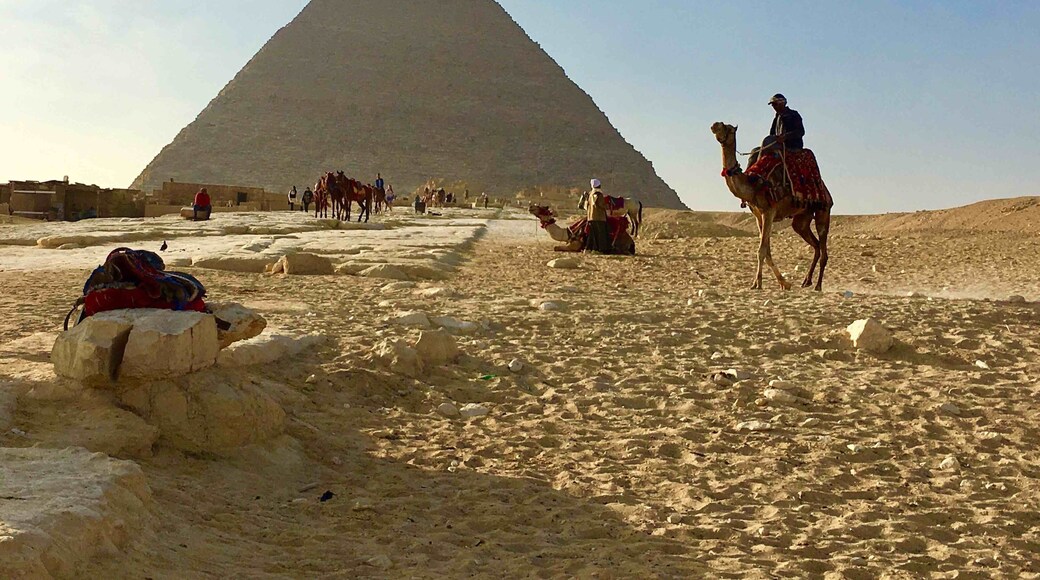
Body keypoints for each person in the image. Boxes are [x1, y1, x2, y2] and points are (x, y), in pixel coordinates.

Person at [748, 93, 806, 168]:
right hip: (778, 144)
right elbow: (772, 133)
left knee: (767, 141)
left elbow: (800, 131)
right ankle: (749, 172)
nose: (773, 107)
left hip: (791, 146)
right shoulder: (777, 117)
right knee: (755, 151)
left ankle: (758, 168)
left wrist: (785, 137)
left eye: (775, 104)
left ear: (782, 103)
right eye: (773, 105)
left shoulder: (793, 115)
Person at [582, 179, 611, 254]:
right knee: (601, 234)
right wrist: (607, 206)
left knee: (592, 234)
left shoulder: (590, 194)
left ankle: (589, 248)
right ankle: (601, 249)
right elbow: (600, 204)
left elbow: (587, 205)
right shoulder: (598, 194)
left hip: (591, 217)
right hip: (599, 217)